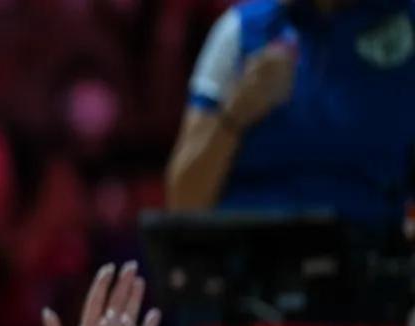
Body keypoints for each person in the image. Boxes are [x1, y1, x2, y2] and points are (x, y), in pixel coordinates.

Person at [166, 0, 415, 235]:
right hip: (247, 261)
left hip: (367, 260)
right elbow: (183, 203)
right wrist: (236, 113)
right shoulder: (241, 31)